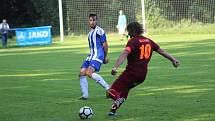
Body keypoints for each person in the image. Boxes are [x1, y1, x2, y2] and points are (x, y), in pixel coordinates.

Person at [107, 22, 180, 116]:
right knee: (125, 91)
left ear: (133, 31)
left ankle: (117, 99)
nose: (128, 34)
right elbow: (161, 51)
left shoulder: (133, 41)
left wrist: (115, 67)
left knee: (110, 92)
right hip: (142, 76)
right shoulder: (148, 41)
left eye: (129, 31)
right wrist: (173, 60)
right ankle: (112, 111)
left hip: (131, 73)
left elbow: (125, 53)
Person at [78, 13, 110, 100]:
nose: (92, 22)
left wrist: (105, 56)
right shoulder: (89, 33)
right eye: (91, 20)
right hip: (91, 55)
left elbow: (105, 45)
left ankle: (108, 88)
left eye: (94, 20)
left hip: (98, 55)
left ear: (96, 21)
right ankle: (85, 95)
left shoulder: (100, 31)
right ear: (89, 21)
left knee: (88, 72)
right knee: (81, 73)